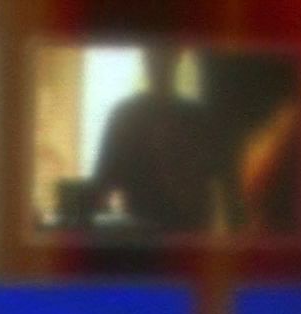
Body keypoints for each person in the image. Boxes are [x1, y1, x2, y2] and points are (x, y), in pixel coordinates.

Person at [90, 46, 220, 233]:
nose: (157, 62)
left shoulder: (126, 116)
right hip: (148, 236)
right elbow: (102, 189)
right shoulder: (195, 118)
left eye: (160, 53)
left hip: (154, 236)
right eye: (153, 54)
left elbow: (102, 189)